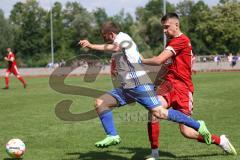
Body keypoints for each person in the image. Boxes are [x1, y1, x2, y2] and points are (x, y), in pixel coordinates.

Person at [79, 21, 212, 149]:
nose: (104, 39)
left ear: (111, 34)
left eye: (104, 36)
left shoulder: (123, 37)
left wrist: (92, 46)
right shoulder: (119, 43)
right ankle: (112, 135)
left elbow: (115, 47)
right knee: (100, 102)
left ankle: (198, 125)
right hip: (127, 87)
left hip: (138, 84)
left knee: (159, 112)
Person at [140, 13, 237, 160]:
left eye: (166, 27)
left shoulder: (181, 40)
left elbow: (159, 60)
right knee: (154, 110)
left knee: (186, 132)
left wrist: (140, 60)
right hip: (168, 86)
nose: (164, 31)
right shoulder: (171, 43)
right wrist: (155, 85)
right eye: (163, 28)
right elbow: (165, 67)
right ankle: (154, 155)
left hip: (183, 90)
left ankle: (220, 141)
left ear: (176, 25)